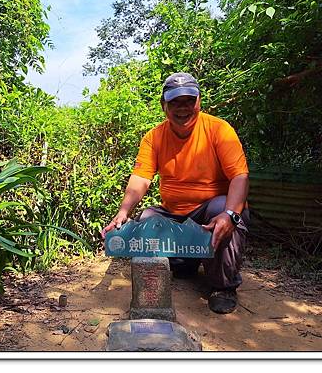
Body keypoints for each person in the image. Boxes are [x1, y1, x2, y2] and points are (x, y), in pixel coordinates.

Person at [101, 72, 250, 314]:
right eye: (175, 103)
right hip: (175, 212)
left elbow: (239, 176)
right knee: (149, 218)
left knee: (225, 211)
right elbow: (141, 177)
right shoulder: (154, 137)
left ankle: (223, 286)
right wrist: (123, 212)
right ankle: (185, 263)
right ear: (164, 106)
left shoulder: (219, 130)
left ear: (199, 102)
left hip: (211, 208)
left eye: (189, 101)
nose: (183, 109)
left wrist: (231, 214)